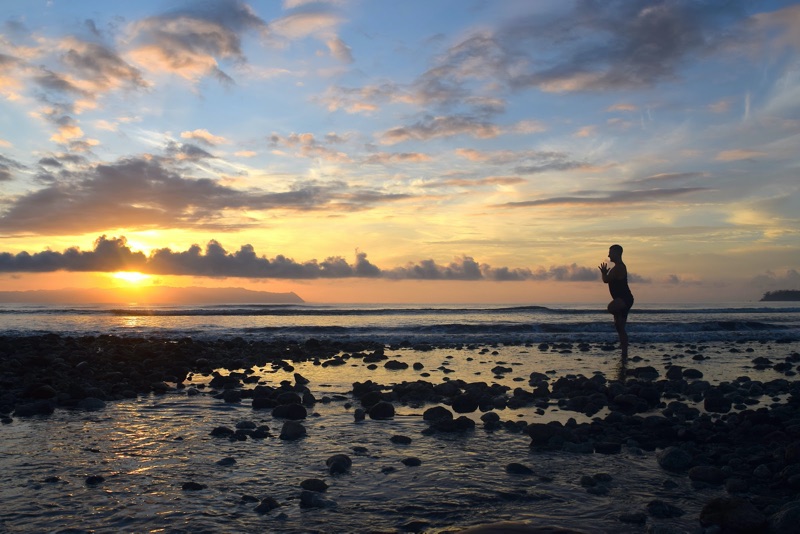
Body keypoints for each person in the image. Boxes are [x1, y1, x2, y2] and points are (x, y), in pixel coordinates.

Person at [598, 244, 634, 356]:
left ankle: (624, 351)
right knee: (620, 328)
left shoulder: (619, 267)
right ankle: (624, 351)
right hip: (624, 299)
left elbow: (606, 280)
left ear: (617, 253)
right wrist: (604, 273)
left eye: (610, 252)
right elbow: (606, 279)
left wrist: (604, 274)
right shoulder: (617, 267)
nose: (608, 255)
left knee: (611, 307)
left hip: (624, 299)